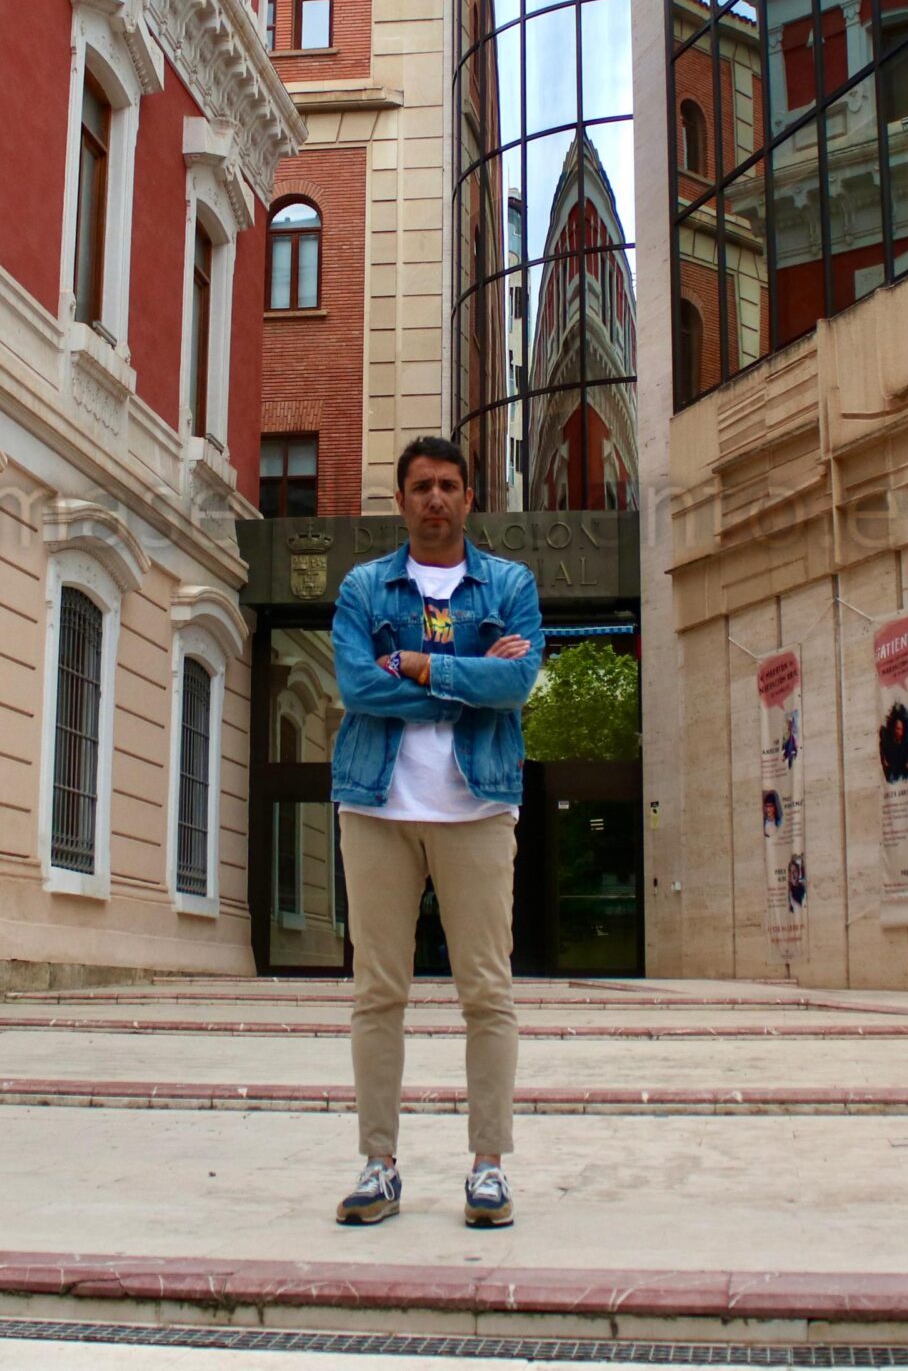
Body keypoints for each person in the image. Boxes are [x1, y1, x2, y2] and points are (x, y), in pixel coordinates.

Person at [328, 436, 543, 1230]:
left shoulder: (509, 585)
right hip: (376, 806)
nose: (436, 499)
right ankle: (378, 1165)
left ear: (470, 497)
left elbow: (519, 681)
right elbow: (356, 686)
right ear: (400, 500)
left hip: (476, 809)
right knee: (378, 992)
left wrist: (418, 666)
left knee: (486, 991)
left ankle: (488, 1168)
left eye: (450, 485)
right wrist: (469, 679)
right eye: (421, 486)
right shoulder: (363, 587)